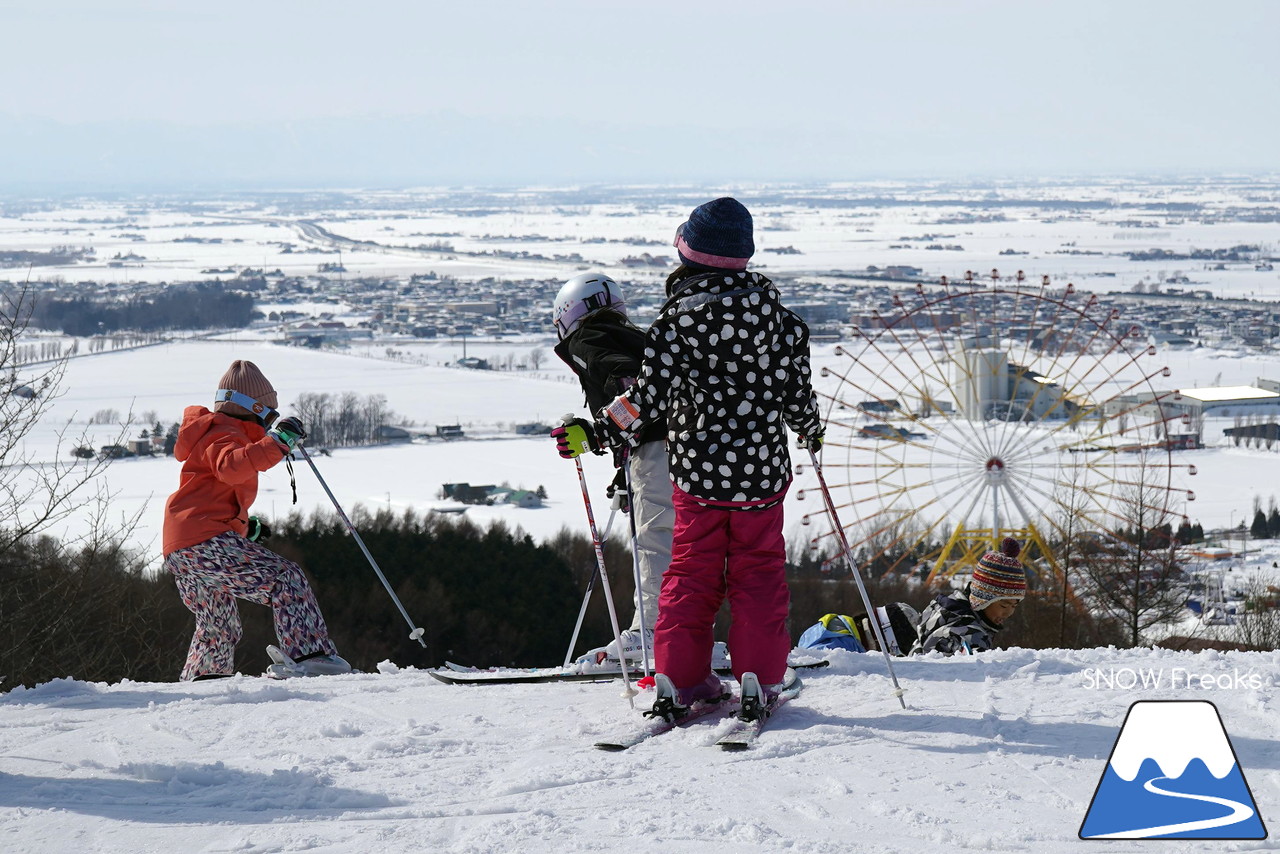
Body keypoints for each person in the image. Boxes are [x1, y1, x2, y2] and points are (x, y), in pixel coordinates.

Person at [592, 197, 824, 720]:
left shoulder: (675, 323)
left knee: (689, 573)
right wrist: (812, 432)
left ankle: (681, 677)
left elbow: (646, 401)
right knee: (758, 574)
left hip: (696, 474)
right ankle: (759, 678)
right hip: (762, 476)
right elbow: (798, 400)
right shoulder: (782, 323)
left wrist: (604, 427)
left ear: (688, 255)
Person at [162, 360, 350, 681]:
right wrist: (277, 443)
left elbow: (211, 494)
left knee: (218, 621)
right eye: (271, 413)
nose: (270, 421)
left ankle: (204, 678)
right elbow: (232, 467)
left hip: (184, 544)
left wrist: (245, 528)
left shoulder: (217, 432)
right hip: (204, 539)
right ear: (256, 408)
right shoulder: (222, 432)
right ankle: (309, 655)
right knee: (284, 579)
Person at [549, 272, 673, 663]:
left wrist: (597, 432)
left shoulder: (588, 340)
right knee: (685, 542)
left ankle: (651, 632)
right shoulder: (639, 335)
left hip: (656, 451)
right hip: (687, 448)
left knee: (654, 539)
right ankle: (686, 628)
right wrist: (624, 470)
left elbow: (630, 383)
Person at [911, 537, 1026, 655]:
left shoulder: (947, 608)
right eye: (1003, 605)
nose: (1009, 613)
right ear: (982, 600)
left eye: (1014, 606)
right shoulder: (972, 638)